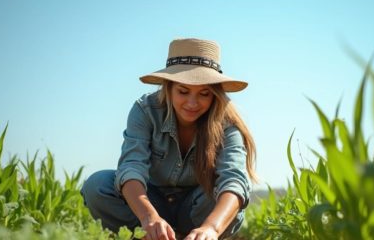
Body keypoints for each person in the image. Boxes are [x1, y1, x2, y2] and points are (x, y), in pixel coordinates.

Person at [81, 38, 257, 240]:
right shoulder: (145, 111)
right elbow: (131, 168)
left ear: (214, 94)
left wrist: (211, 228)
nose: (192, 103)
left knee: (231, 205)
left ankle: (194, 236)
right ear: (168, 87)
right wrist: (149, 218)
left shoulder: (227, 122)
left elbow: (234, 181)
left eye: (204, 94)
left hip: (195, 209)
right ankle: (150, 234)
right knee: (97, 185)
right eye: (183, 91)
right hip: (149, 200)